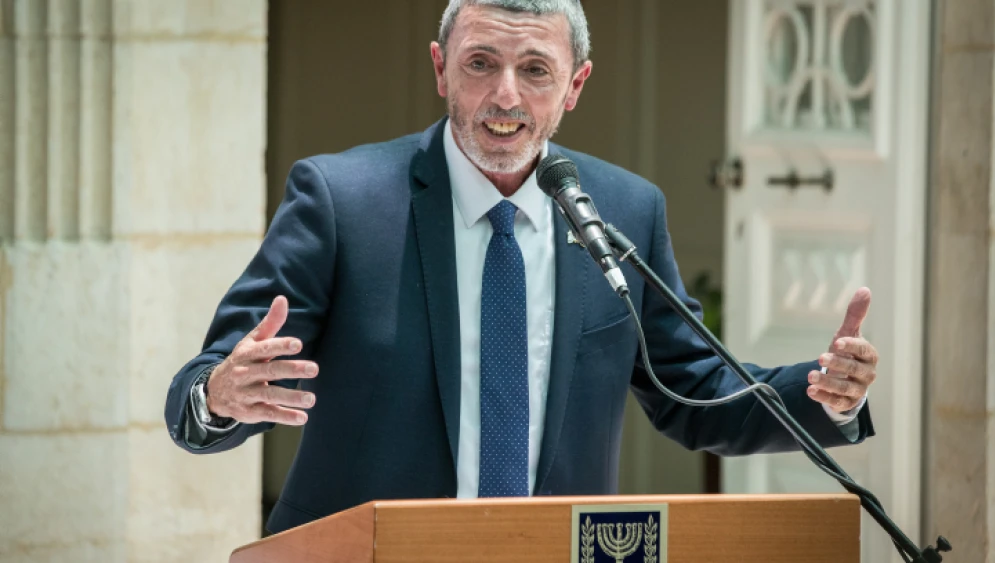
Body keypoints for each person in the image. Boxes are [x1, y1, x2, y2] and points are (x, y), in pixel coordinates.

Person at [164, 0, 876, 534]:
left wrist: (825, 394)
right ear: (441, 68)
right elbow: (206, 386)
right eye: (481, 63)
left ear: (575, 85)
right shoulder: (342, 200)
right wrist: (218, 394)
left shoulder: (624, 209)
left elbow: (696, 390)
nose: (506, 95)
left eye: (535, 69)